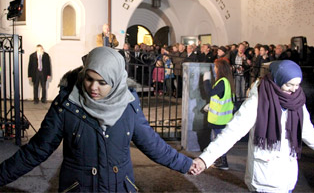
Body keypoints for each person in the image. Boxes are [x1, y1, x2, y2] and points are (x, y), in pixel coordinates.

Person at [0, 47, 196, 192]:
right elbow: (36, 151)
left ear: (116, 81)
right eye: (89, 79)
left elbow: (152, 144)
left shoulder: (128, 104)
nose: (94, 87)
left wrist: (186, 164)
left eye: (102, 82)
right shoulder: (66, 104)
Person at [191, 60, 314, 193]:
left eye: (297, 85)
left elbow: (308, 133)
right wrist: (205, 159)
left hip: (287, 180)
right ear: (278, 80)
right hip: (264, 180)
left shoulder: (297, 101)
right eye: (289, 85)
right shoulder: (259, 100)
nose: (293, 90)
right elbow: (232, 132)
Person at [203, 58, 235, 170]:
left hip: (219, 119)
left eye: (215, 67)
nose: (214, 69)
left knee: (217, 141)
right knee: (218, 140)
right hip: (223, 118)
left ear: (220, 69)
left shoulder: (222, 82)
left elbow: (210, 93)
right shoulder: (227, 81)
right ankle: (220, 160)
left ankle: (223, 162)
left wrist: (206, 80)